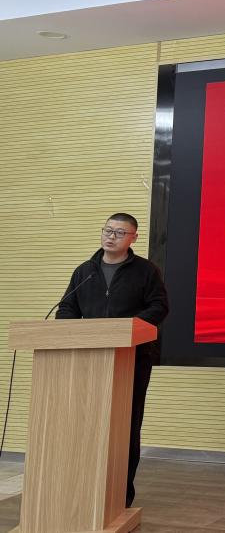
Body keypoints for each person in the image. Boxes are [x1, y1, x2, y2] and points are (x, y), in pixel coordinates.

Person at [55, 213, 169, 507]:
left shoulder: (146, 271)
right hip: (88, 360)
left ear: (133, 238)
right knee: (87, 423)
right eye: (108, 230)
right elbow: (67, 308)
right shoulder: (85, 271)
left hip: (132, 359)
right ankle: (83, 491)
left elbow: (159, 307)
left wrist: (126, 328)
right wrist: (71, 331)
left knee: (125, 425)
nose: (111, 236)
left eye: (119, 232)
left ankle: (120, 496)